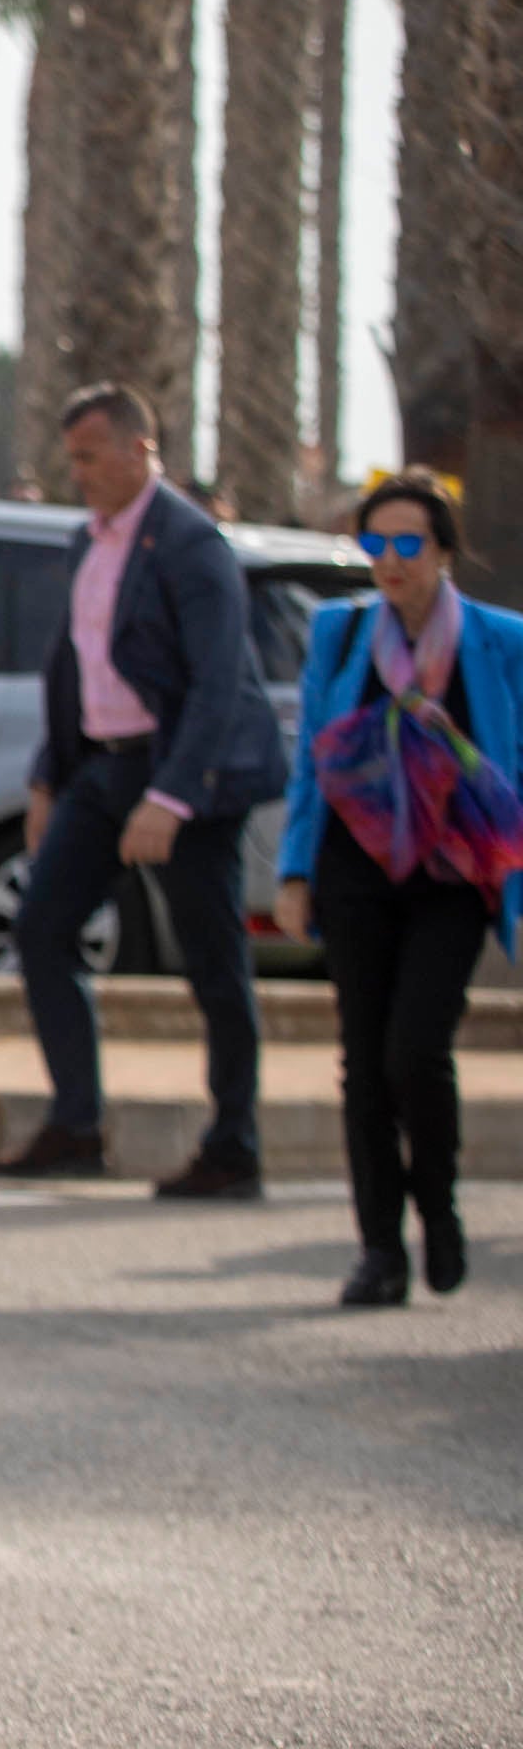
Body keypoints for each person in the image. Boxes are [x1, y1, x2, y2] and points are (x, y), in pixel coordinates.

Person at [0, 383, 289, 1195]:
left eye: (90, 456)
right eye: (72, 458)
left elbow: (219, 681)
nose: (78, 473)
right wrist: (50, 776)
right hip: (105, 768)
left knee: (212, 962)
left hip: (190, 772)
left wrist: (173, 797)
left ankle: (234, 1145)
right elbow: (74, 664)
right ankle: (76, 1122)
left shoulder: (191, 545)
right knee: (43, 927)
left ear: (138, 450)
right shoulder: (89, 543)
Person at [276, 470, 523, 1306]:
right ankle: (379, 1248)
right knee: (364, 1064)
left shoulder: (501, 641)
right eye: (374, 543)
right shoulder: (341, 636)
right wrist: (295, 870)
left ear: (445, 551)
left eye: (407, 542)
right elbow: (313, 759)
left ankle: (439, 1208)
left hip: (453, 877)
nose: (389, 560)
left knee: (416, 1046)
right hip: (356, 873)